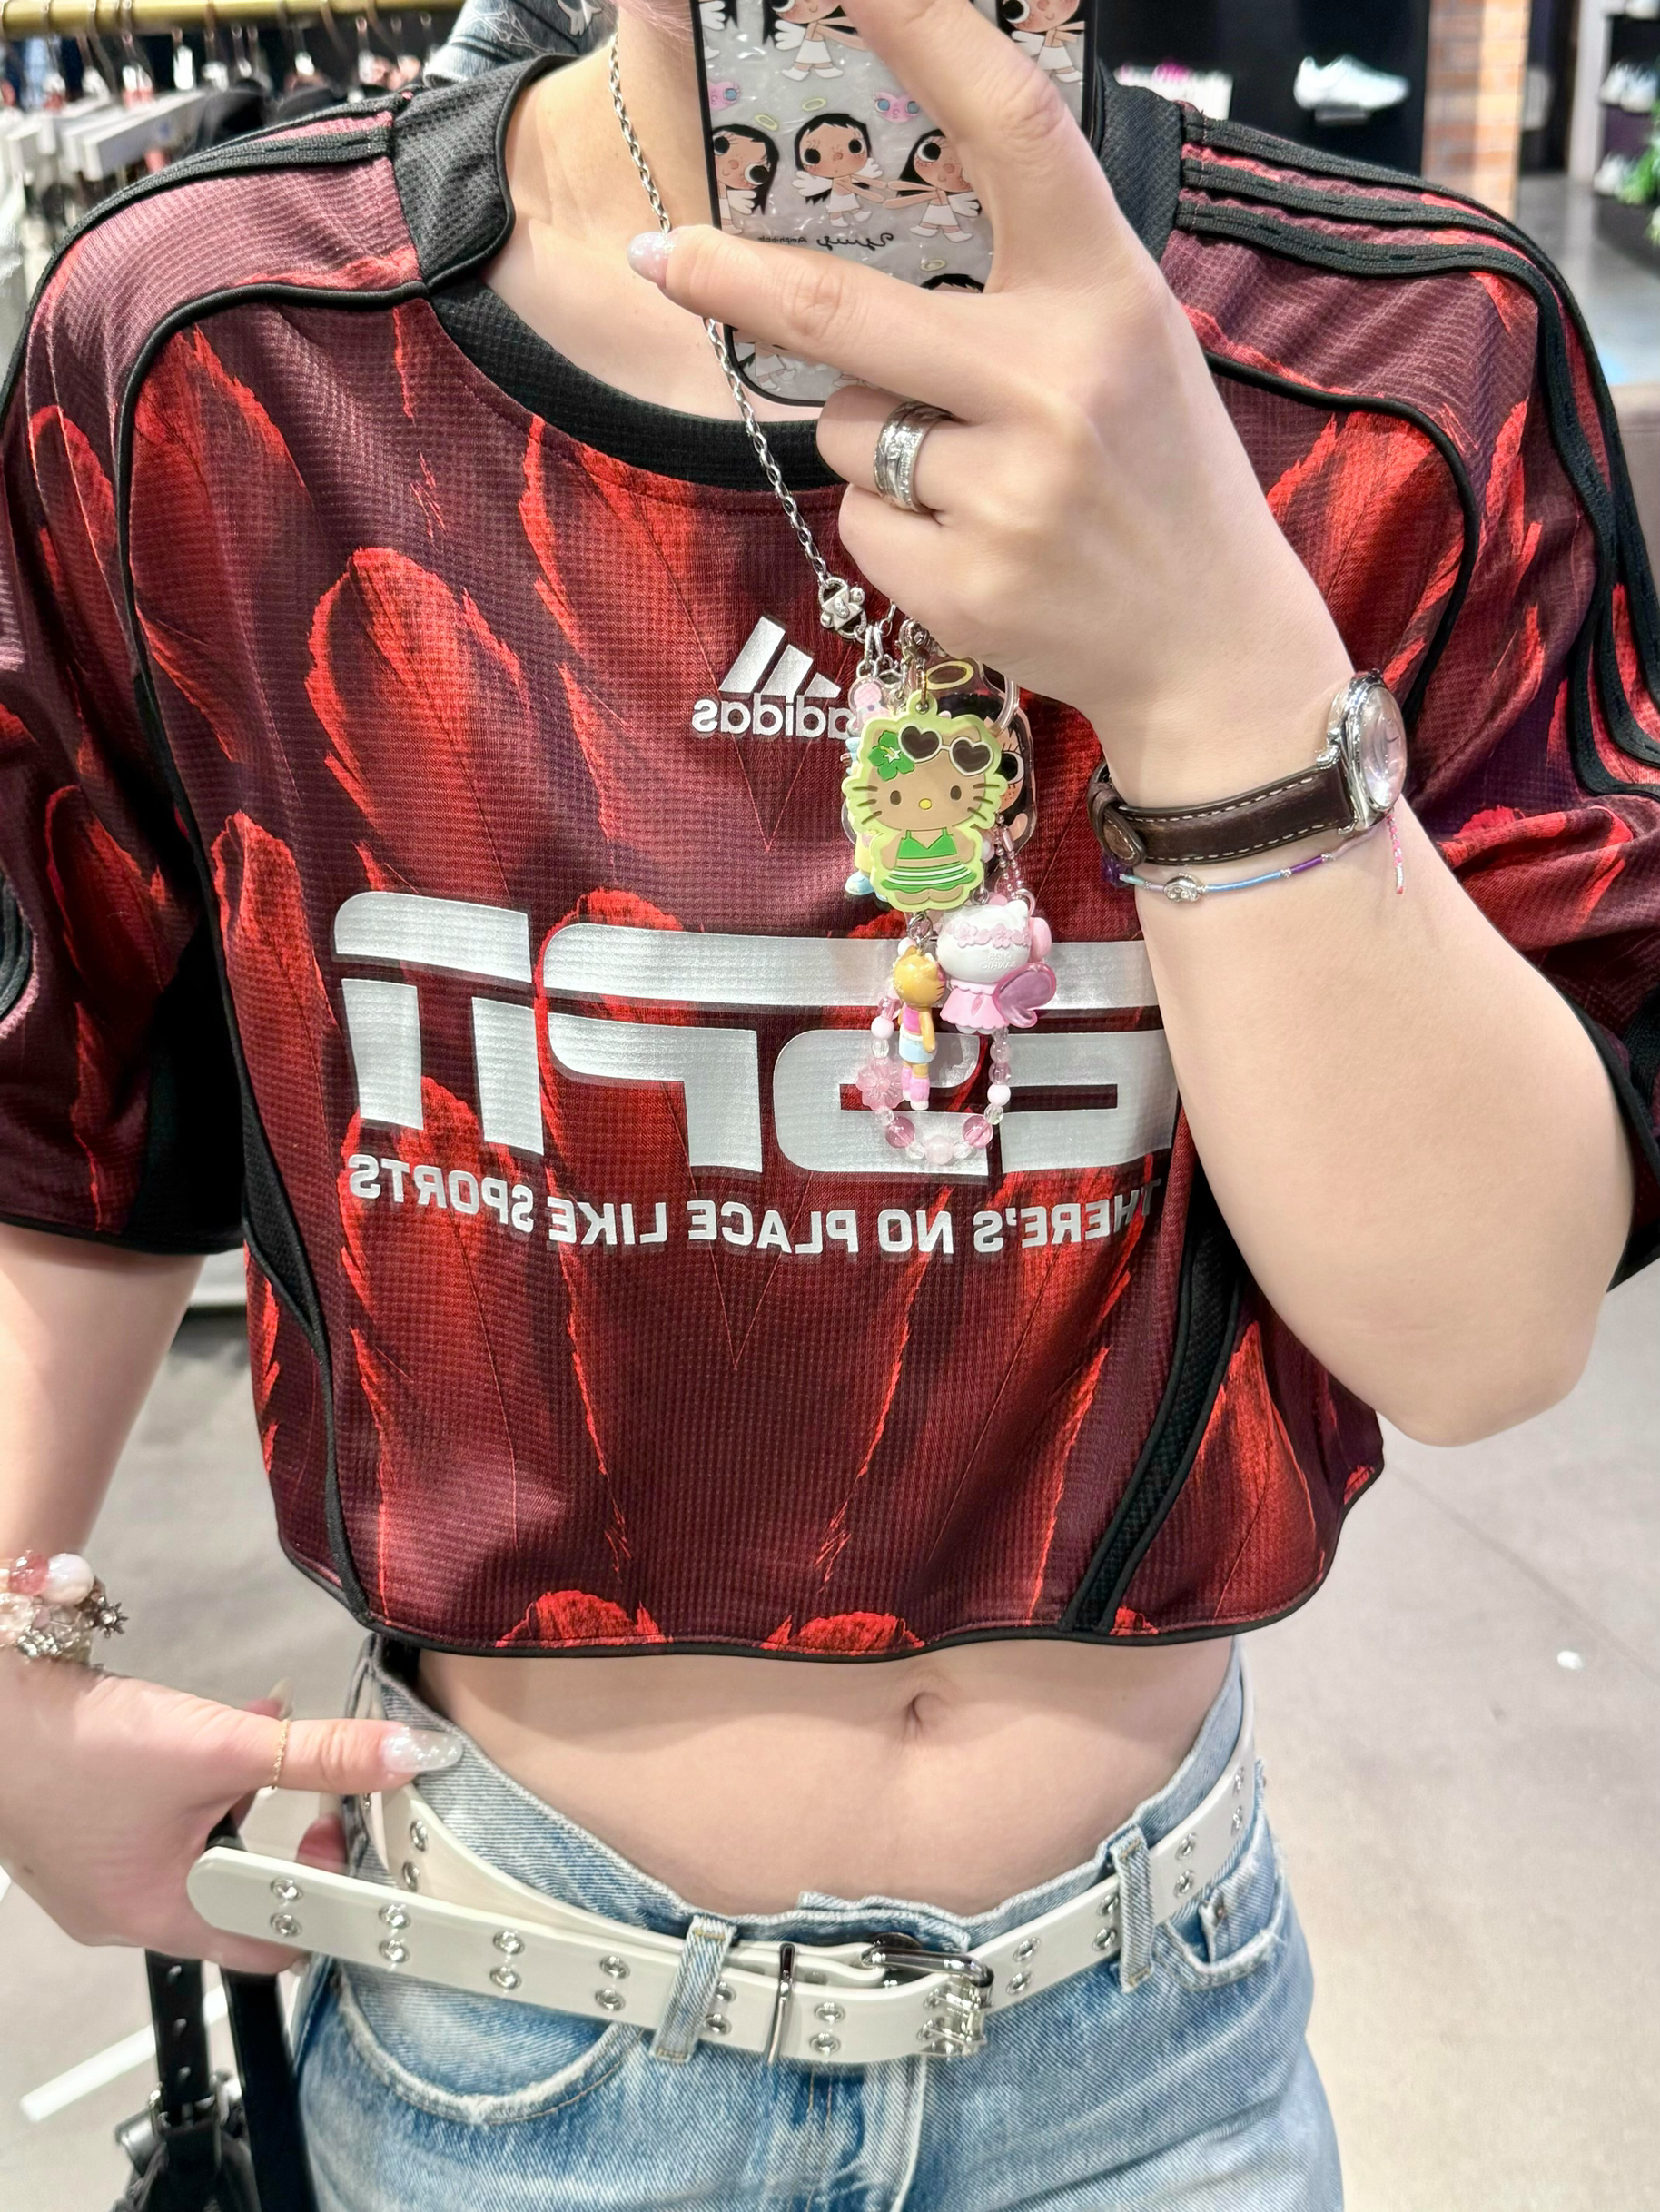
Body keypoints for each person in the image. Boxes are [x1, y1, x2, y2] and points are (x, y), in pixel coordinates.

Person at [0, 2, 1656, 2207]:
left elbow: (1482, 1330)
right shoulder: (223, 348)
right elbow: (70, 1107)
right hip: (514, 2014)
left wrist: (1217, 675)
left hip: (1147, 2041)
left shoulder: (1396, 362)